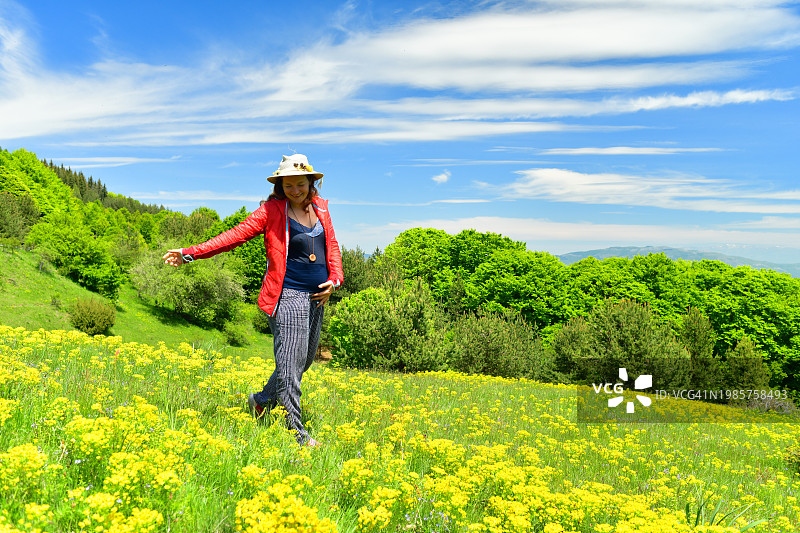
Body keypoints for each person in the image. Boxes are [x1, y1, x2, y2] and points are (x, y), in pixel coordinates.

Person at [162, 154, 343, 447]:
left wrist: (334, 281)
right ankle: (297, 434)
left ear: (312, 182)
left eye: (301, 184)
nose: (295, 190)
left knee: (303, 362)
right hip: (287, 296)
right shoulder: (272, 211)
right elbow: (232, 237)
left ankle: (260, 401)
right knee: (291, 368)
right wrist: (190, 253)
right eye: (288, 186)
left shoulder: (321, 207)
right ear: (280, 186)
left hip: (317, 298)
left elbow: (331, 245)